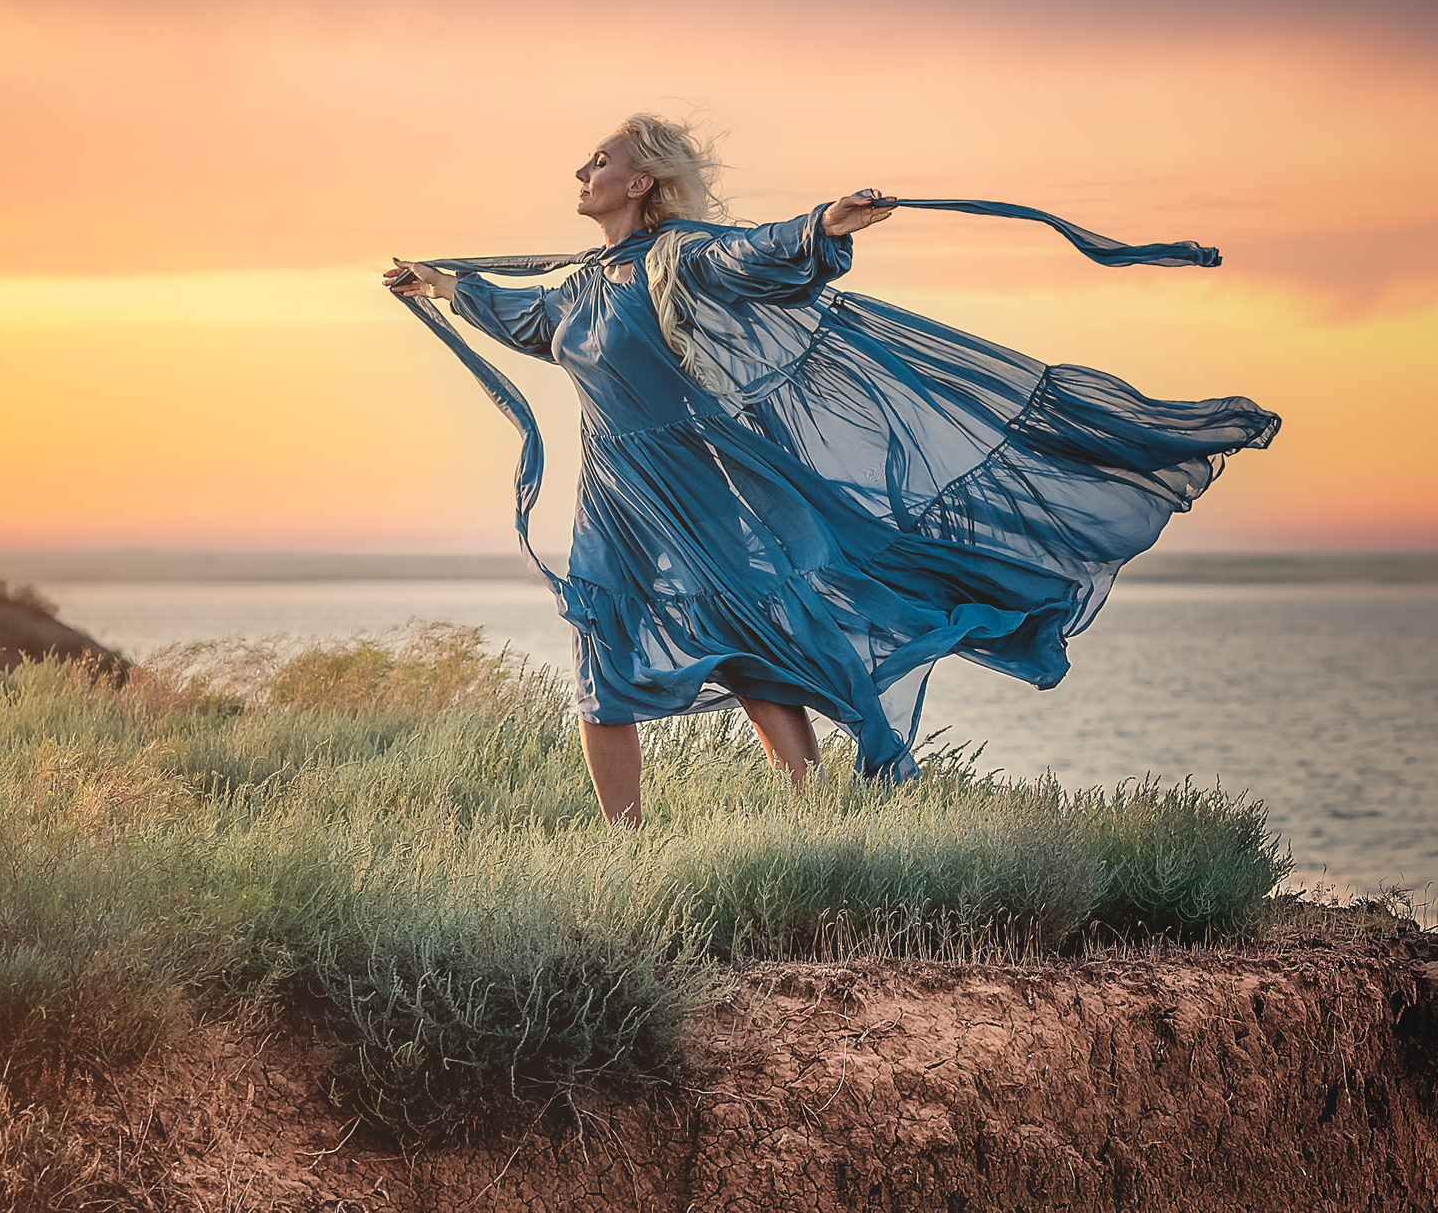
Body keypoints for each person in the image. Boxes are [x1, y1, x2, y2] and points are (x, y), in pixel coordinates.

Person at [386, 114, 1276, 825]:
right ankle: (623, 849)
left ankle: (808, 816)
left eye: (600, 160)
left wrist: (819, 227)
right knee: (602, 652)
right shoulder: (578, 288)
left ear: (640, 181)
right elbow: (522, 315)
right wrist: (441, 285)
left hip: (702, 489)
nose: (583, 170)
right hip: (616, 498)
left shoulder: (678, 258)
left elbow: (749, 252)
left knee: (757, 650)